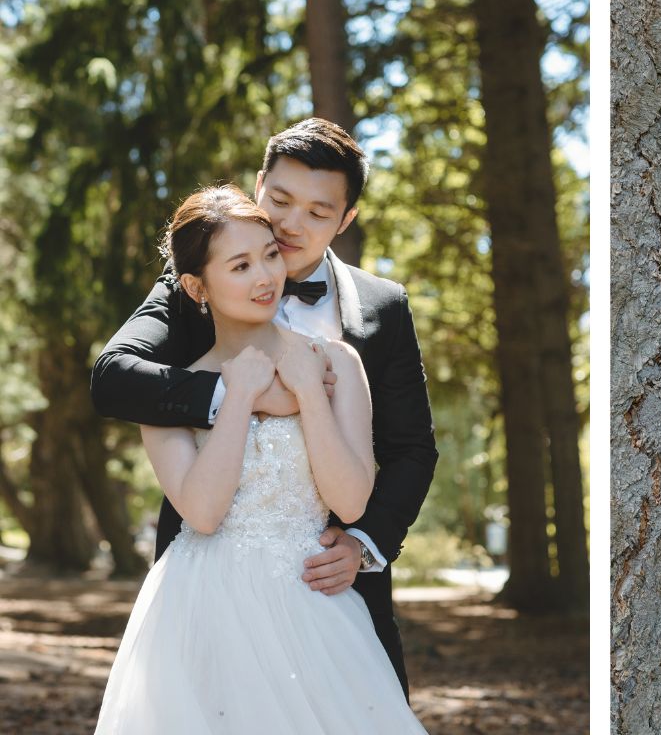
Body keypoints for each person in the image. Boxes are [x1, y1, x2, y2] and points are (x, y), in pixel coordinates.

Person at [90, 118, 437, 695]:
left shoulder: (383, 308)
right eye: (279, 200)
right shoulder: (190, 289)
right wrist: (242, 395)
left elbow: (411, 449)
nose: (291, 224)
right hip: (210, 586)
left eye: (318, 212)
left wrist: (364, 543)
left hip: (335, 589)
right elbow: (114, 378)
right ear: (258, 186)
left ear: (346, 219)